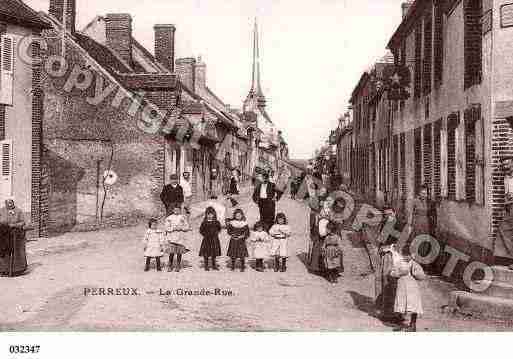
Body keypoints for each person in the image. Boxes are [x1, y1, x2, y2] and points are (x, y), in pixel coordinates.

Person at [375, 207, 403, 322]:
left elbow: (402, 241)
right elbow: (380, 241)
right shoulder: (384, 225)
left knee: (395, 283)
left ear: (395, 213)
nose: (388, 217)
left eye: (390, 214)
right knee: (385, 281)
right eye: (386, 215)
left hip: (396, 256)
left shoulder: (399, 225)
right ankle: (386, 312)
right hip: (386, 256)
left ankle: (395, 311)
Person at [390, 245, 425, 332]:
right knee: (401, 304)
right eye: (404, 255)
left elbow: (422, 276)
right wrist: (399, 273)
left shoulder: (414, 264)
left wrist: (416, 273)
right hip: (401, 286)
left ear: (412, 255)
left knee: (413, 305)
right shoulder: (399, 263)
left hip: (412, 288)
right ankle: (399, 324)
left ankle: (413, 325)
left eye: (408, 255)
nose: (406, 257)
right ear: (402, 254)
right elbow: (392, 273)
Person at [0, 198, 27, 276]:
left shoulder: (18, 211)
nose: (9, 204)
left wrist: (14, 225)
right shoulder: (1, 210)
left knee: (15, 251)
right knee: (3, 251)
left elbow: (22, 222)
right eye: (8, 203)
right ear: (5, 203)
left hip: (15, 234)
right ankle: (3, 269)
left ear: (13, 203)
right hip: (3, 235)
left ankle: (17, 270)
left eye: (11, 202)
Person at [407, 184, 432, 267]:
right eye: (422, 193)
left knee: (425, 241)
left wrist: (433, 225)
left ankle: (424, 261)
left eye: (425, 193)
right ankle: (416, 261)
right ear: (419, 193)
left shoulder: (430, 202)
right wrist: (410, 225)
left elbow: (432, 214)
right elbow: (411, 213)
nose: (424, 195)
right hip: (417, 223)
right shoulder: (415, 201)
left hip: (426, 224)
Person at [164, 206, 191, 272]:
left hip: (180, 237)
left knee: (179, 252)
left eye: (178, 210)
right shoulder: (169, 218)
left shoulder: (183, 217)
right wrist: (173, 228)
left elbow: (187, 226)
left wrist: (182, 228)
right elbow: (166, 227)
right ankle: (170, 265)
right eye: (175, 209)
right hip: (172, 237)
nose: (176, 211)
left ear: (180, 210)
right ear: (173, 210)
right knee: (171, 252)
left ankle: (178, 265)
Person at [199, 206, 222, 271]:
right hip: (206, 239)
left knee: (213, 252)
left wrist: (216, 233)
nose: (209, 215)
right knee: (206, 252)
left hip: (214, 239)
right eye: (208, 214)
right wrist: (205, 234)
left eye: (211, 214)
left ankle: (214, 265)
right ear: (206, 215)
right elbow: (201, 230)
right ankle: (206, 265)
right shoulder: (204, 222)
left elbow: (219, 229)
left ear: (214, 214)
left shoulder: (216, 222)